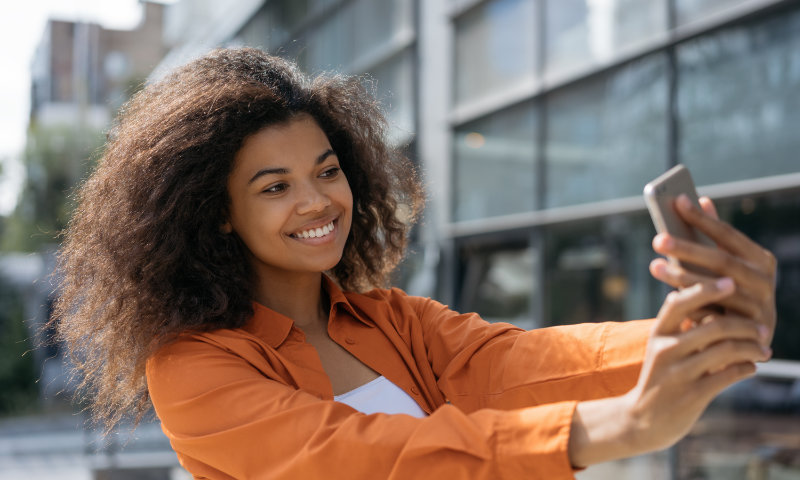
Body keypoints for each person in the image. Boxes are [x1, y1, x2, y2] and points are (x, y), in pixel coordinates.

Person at [51, 48, 777, 479]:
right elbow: (367, 460)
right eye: (274, 187)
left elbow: (530, 361)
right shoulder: (194, 367)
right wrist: (619, 428)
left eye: (326, 171)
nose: (316, 202)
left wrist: (698, 324)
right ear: (216, 212)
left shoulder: (390, 320)